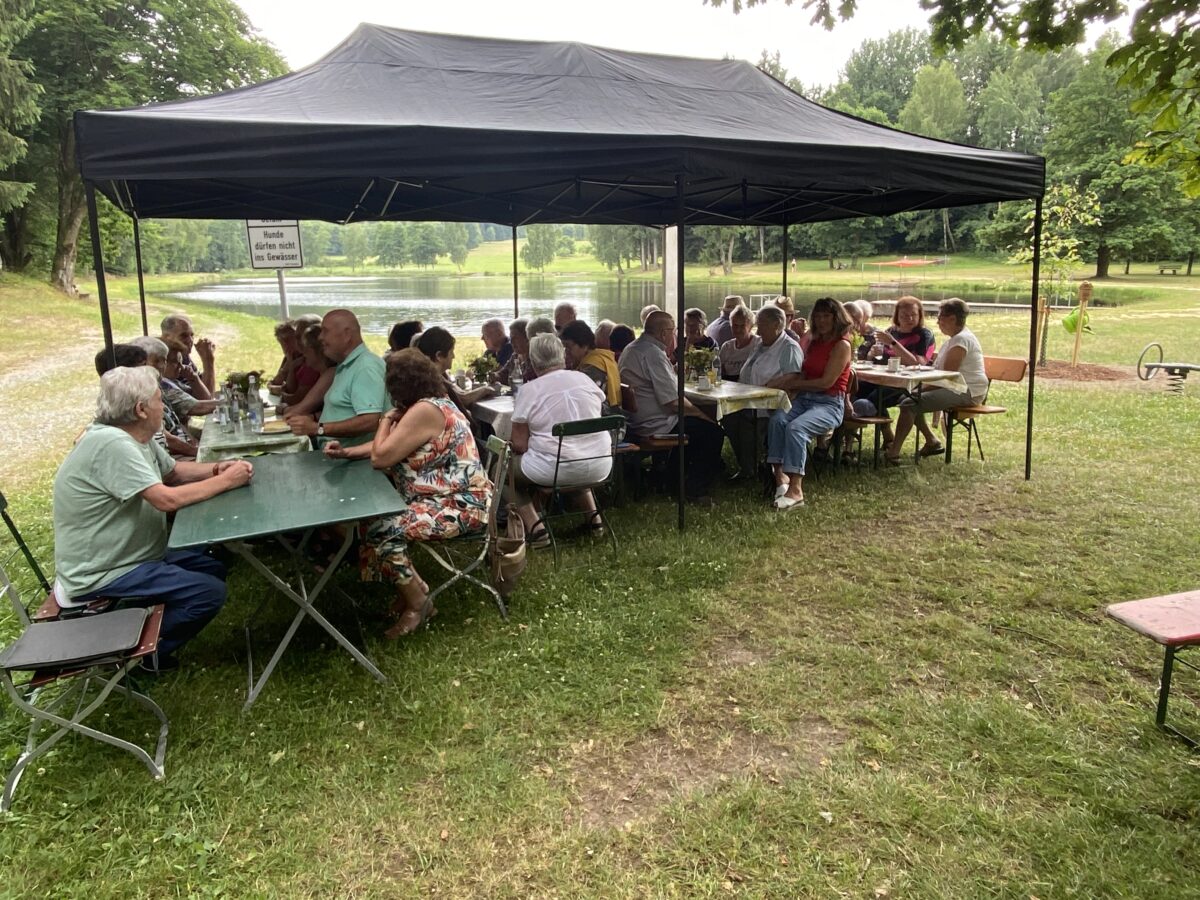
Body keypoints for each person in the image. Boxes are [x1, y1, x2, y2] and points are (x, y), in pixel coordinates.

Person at [52, 366, 253, 671]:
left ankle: (148, 621)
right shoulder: (112, 445)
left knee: (212, 566)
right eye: (160, 400)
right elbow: (166, 499)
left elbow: (172, 472)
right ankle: (142, 657)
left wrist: (220, 468)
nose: (165, 406)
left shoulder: (133, 436)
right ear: (141, 409)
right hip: (103, 570)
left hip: (134, 555)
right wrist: (227, 481)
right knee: (208, 592)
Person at [323, 350, 491, 639]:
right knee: (370, 520)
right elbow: (393, 446)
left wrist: (385, 420)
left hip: (460, 507)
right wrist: (348, 452)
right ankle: (407, 590)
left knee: (380, 528)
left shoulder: (424, 411)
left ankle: (419, 603)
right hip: (438, 502)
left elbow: (381, 456)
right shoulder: (426, 407)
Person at [510, 333, 612, 544]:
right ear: (563, 356)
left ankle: (536, 529)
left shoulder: (529, 390)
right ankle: (595, 521)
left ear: (533, 361)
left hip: (556, 469)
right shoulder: (584, 379)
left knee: (503, 471)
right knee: (573, 453)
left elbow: (519, 444)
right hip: (600, 464)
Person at [618, 311, 725, 504]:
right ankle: (694, 489)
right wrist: (702, 414)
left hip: (634, 419)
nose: (675, 335)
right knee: (712, 431)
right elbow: (673, 402)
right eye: (673, 331)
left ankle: (672, 477)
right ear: (664, 333)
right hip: (655, 423)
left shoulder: (633, 348)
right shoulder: (652, 353)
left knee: (696, 425)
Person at [764, 297, 852, 510]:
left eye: (826, 316)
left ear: (836, 318)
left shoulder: (841, 345)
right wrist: (788, 385)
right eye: (818, 316)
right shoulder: (813, 341)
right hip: (804, 398)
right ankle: (780, 479)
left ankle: (796, 490)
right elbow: (803, 372)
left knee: (797, 428)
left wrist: (796, 383)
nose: (821, 321)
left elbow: (826, 382)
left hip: (829, 403)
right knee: (777, 420)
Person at [885, 298, 988, 463]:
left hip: (967, 391)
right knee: (909, 399)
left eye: (940, 317)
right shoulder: (955, 339)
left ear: (953, 319)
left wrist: (922, 388)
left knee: (909, 403)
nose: (938, 321)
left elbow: (947, 376)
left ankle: (894, 452)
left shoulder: (961, 341)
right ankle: (932, 441)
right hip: (956, 387)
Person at [285, 309, 387, 447]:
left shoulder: (365, 368)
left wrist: (318, 428)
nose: (320, 337)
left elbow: (371, 420)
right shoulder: (347, 365)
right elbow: (345, 409)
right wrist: (313, 417)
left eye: (325, 331)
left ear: (347, 335)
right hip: (337, 456)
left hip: (356, 461)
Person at [722, 305, 801, 480]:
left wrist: (771, 385)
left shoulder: (788, 347)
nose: (758, 329)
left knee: (747, 422)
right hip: (748, 399)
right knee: (729, 417)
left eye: (762, 324)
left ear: (777, 325)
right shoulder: (762, 343)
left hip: (772, 403)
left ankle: (758, 468)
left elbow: (794, 377)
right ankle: (748, 466)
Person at [852, 296, 937, 442]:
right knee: (855, 389)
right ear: (897, 315)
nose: (909, 318)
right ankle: (882, 435)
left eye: (913, 315)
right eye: (904, 315)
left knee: (871, 401)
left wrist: (892, 343)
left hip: (910, 383)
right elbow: (880, 361)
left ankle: (883, 435)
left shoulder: (924, 334)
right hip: (885, 379)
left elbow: (918, 363)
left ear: (920, 315)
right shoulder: (891, 331)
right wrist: (873, 354)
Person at [128, 336, 199, 458]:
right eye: (156, 361)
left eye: (164, 360)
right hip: (174, 458)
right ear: (139, 363)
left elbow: (177, 424)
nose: (161, 366)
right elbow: (166, 437)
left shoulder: (158, 387)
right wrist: (196, 451)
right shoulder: (139, 393)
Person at [414, 327, 498, 418]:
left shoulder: (429, 374)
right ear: (439, 356)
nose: (453, 356)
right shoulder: (432, 379)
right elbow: (463, 398)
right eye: (451, 352)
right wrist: (486, 389)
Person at [561, 320, 621, 411]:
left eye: (569, 347)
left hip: (606, 419)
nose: (566, 352)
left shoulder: (594, 366)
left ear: (584, 345)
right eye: (564, 347)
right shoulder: (599, 358)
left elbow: (579, 398)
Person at [160, 314, 216, 396]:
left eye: (192, 335)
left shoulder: (183, 356)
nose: (190, 340)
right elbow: (207, 398)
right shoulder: (166, 360)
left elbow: (203, 392)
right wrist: (208, 361)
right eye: (184, 336)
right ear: (166, 337)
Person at [717, 305, 760, 383]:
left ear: (750, 326)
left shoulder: (758, 344)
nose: (738, 330)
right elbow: (719, 373)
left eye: (742, 326)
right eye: (735, 326)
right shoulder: (727, 347)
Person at [496, 318, 534, 385]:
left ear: (527, 337)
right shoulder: (515, 356)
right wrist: (492, 375)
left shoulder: (536, 357)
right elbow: (503, 374)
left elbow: (526, 380)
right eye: (511, 338)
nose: (511, 342)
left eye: (515, 338)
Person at [267, 321, 302, 391]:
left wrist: (274, 388)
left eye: (288, 340)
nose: (285, 345)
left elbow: (291, 391)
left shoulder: (306, 359)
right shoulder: (289, 357)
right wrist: (287, 365)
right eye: (281, 342)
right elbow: (275, 383)